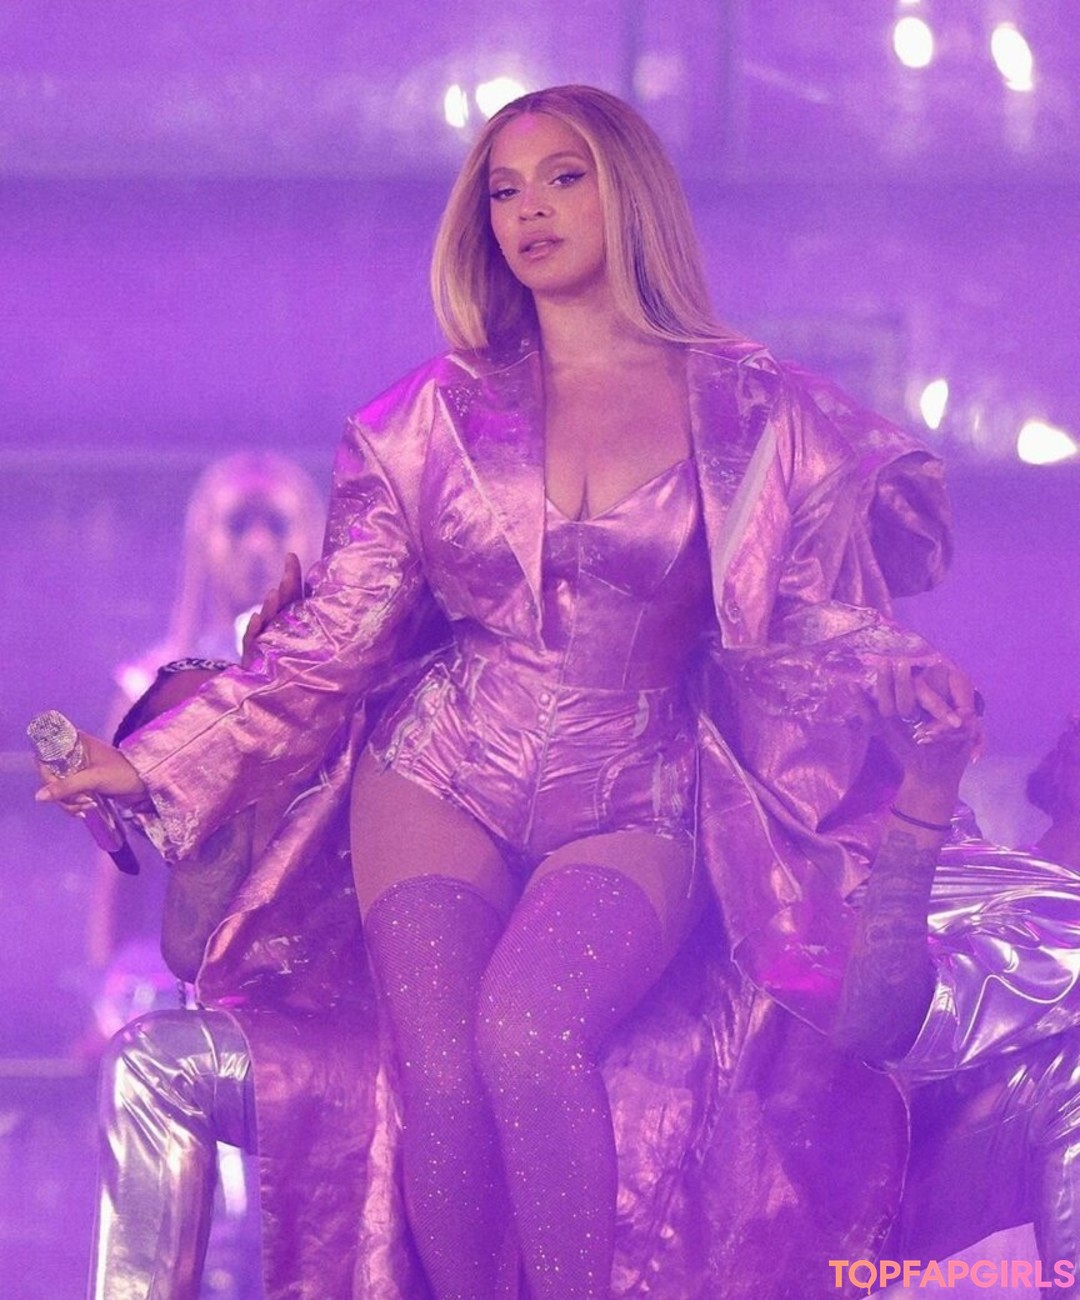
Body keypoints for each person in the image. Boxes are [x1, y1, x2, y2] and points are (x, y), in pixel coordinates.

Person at [38, 84, 988, 1299]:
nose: (528, 210)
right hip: (438, 773)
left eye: (563, 178)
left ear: (629, 194)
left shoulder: (755, 410)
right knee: (438, 1071)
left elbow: (808, 614)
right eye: (503, 190)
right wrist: (153, 764)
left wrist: (903, 673)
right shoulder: (425, 419)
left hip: (634, 787)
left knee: (530, 1035)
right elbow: (334, 638)